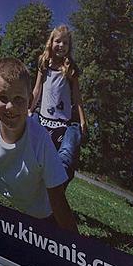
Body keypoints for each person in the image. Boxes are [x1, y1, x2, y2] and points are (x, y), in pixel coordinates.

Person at [0, 59, 77, 232]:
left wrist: (77, 247)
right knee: (57, 164)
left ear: (30, 100)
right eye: (3, 98)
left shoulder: (39, 139)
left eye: (18, 99)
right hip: (34, 178)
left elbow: (57, 198)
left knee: (65, 162)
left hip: (43, 209)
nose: (10, 107)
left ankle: (73, 132)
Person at [31, 25, 85, 183]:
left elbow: (77, 96)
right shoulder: (44, 63)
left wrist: (82, 120)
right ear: (51, 42)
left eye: (65, 43)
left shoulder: (70, 69)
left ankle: (57, 188)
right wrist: (30, 108)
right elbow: (37, 89)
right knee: (36, 154)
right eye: (58, 41)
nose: (61, 45)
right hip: (44, 119)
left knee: (62, 160)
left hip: (62, 123)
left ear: (69, 46)